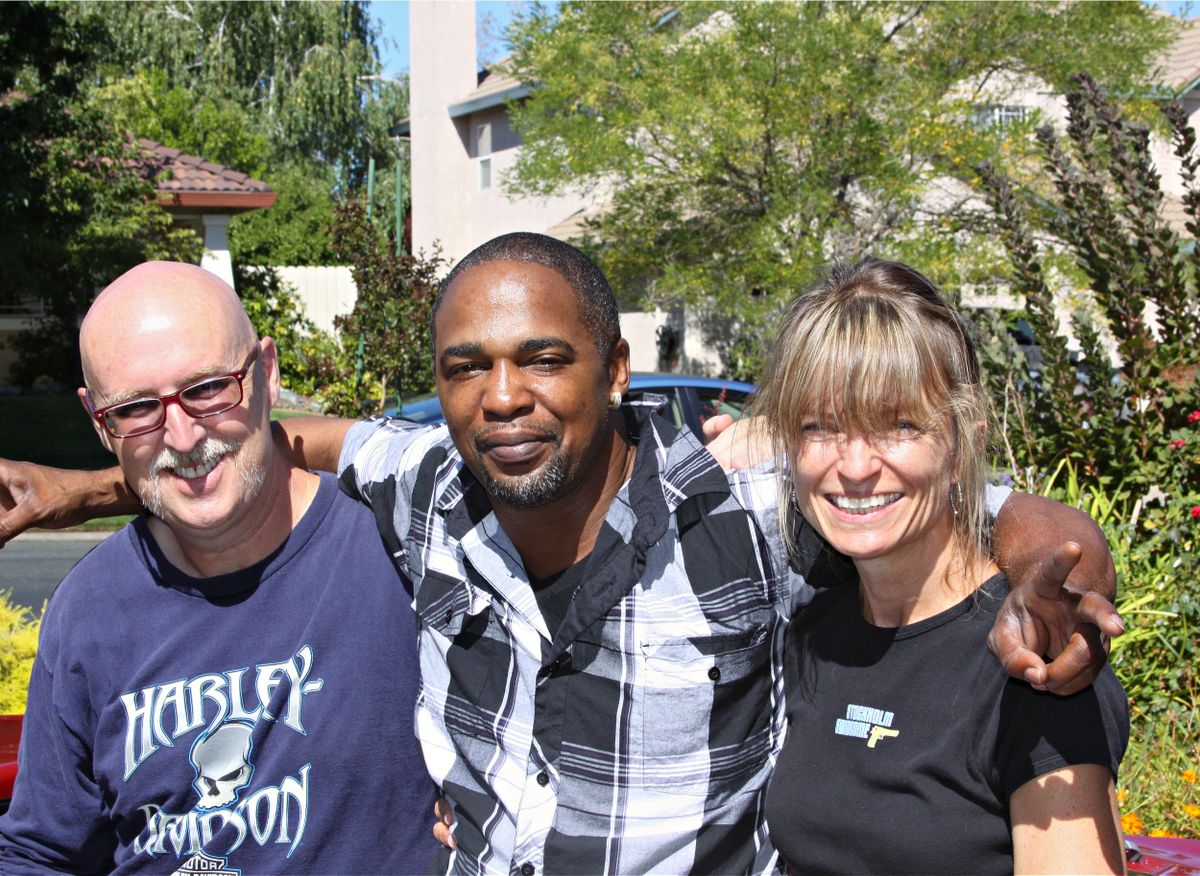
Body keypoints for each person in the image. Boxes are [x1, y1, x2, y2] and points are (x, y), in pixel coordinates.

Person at [0, 235, 1120, 875]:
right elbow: (260, 441)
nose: (503, 399)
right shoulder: (423, 482)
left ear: (618, 370)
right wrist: (83, 490)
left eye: (544, 359)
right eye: (465, 369)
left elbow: (956, 494)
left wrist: (1051, 563)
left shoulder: (743, 507)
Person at [0, 263, 439, 873]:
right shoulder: (88, 608)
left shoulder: (399, 549)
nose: (180, 436)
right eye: (136, 408)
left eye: (207, 388)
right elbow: (42, 851)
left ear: (266, 372)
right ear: (100, 422)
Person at [756, 258, 1127, 873]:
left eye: (899, 424)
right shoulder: (811, 635)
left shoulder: (1033, 661)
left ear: (964, 444)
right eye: (819, 427)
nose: (854, 467)